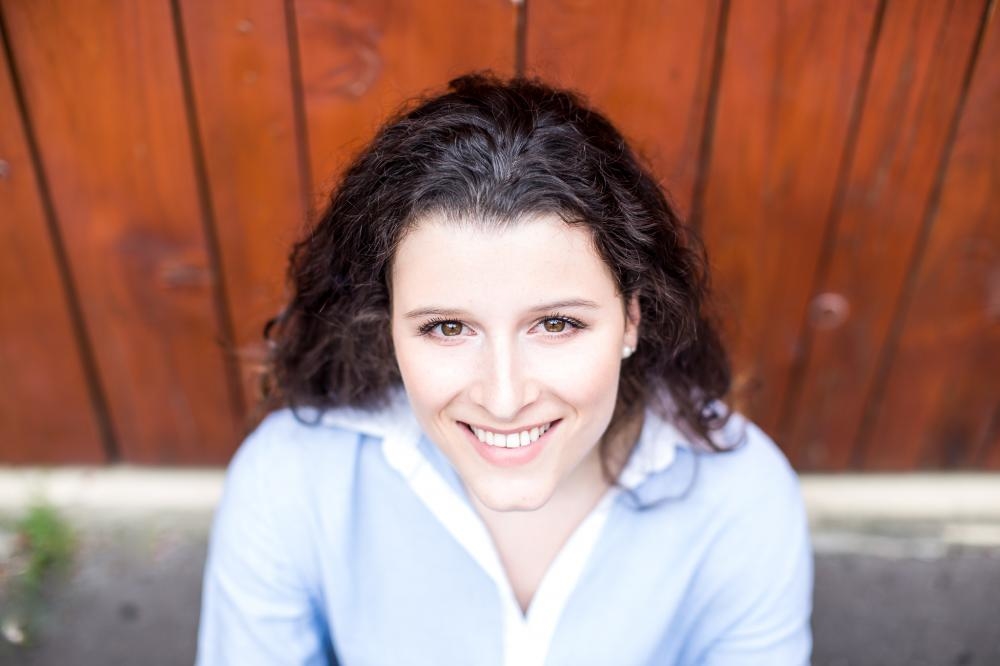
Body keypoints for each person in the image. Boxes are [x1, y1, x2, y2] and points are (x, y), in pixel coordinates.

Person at [196, 72, 813, 665]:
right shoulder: (291, 481)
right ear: (386, 324)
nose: (504, 397)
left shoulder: (741, 499)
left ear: (632, 318)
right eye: (447, 327)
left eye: (557, 324)